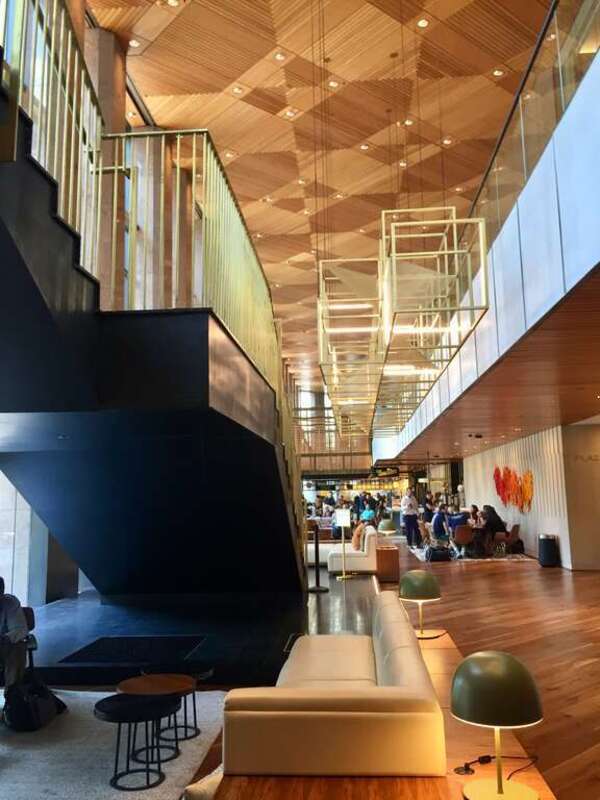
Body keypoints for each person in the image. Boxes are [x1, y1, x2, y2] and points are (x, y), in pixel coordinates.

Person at [0, 576, 28, 695]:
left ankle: (12, 698)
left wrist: (4, 638)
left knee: (18, 646)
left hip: (3, 645)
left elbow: (20, 629)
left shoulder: (10, 602)